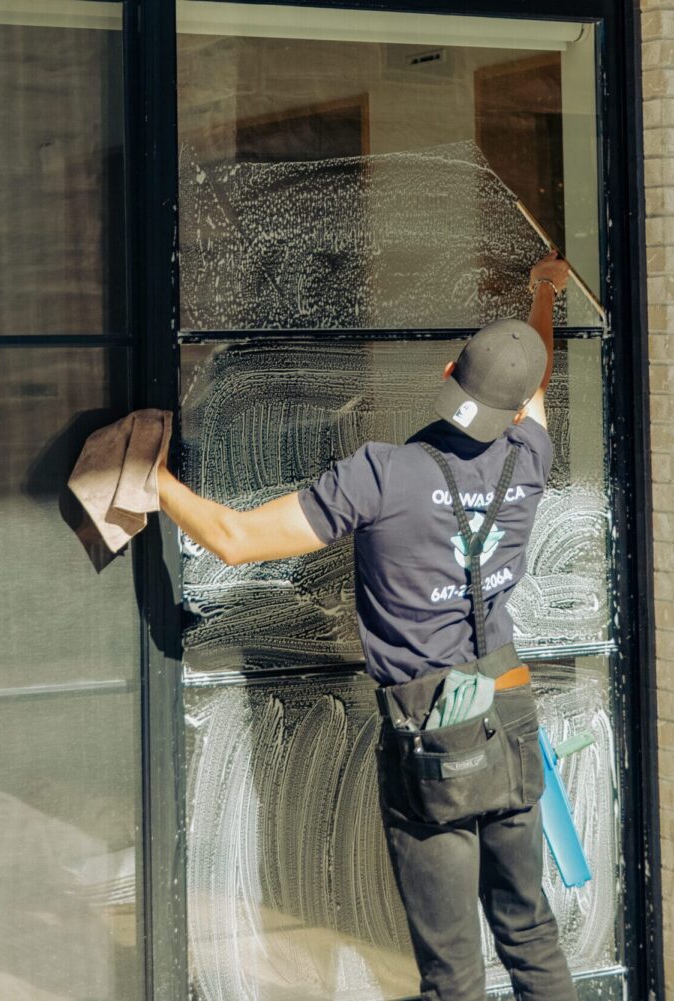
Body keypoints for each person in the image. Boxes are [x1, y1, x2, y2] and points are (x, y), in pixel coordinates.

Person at [157, 250, 577, 1001]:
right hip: (509, 708)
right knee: (530, 932)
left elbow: (235, 539)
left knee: (452, 972)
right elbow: (533, 380)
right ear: (517, 410)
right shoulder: (530, 456)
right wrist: (544, 292)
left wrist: (151, 477)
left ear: (447, 372)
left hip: (431, 731)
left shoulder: (382, 474)